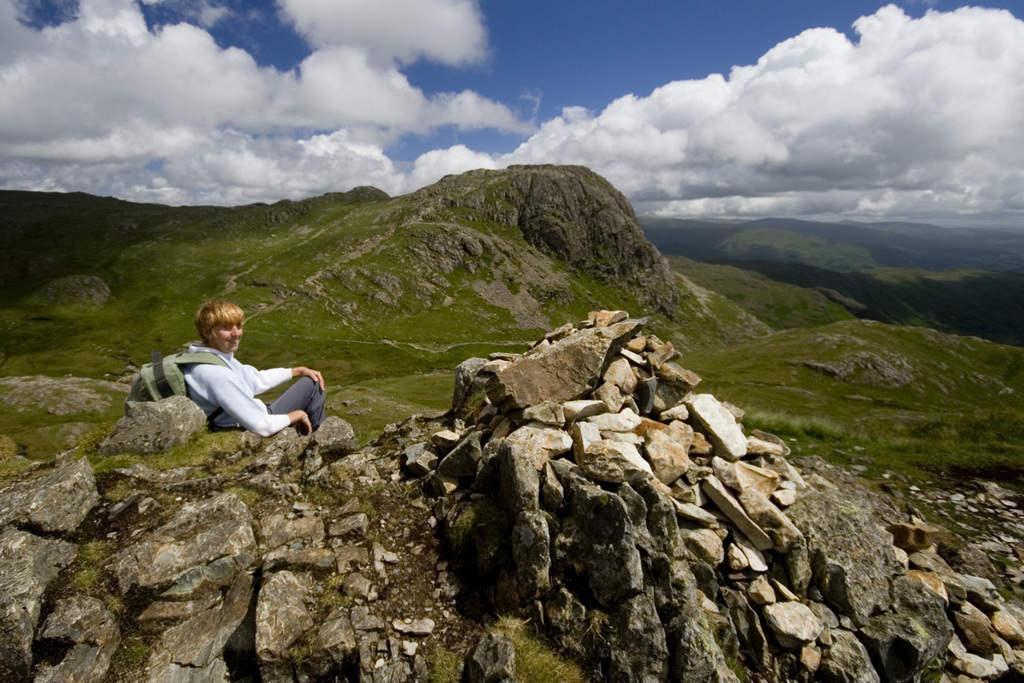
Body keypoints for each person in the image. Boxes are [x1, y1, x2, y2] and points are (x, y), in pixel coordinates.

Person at [183, 300, 326, 436]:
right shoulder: (217, 374)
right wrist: (298, 414)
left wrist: (297, 371)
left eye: (238, 326)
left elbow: (255, 379)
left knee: (308, 379)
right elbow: (263, 426)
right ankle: (319, 444)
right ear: (207, 332)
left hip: (234, 419)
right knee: (313, 385)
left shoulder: (207, 358)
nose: (236, 333)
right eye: (226, 327)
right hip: (244, 426)